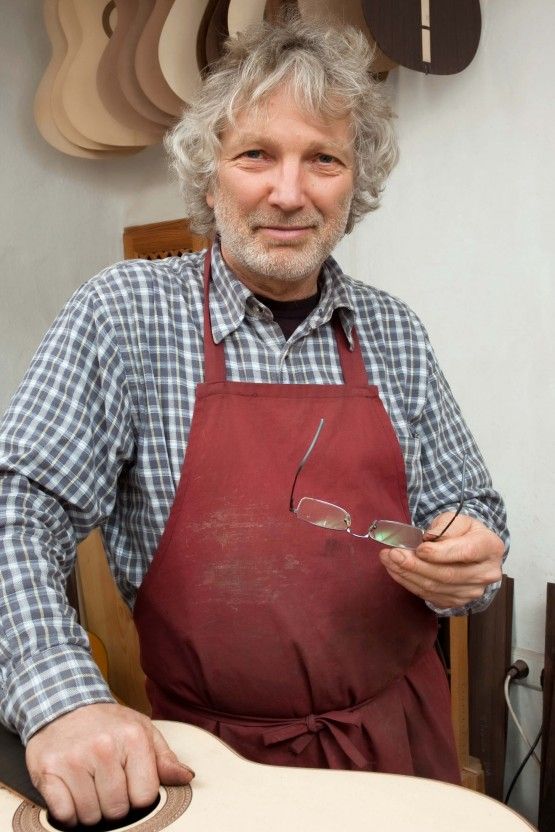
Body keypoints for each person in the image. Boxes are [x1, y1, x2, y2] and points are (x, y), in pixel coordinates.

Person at [0, 16, 508, 829]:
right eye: (255, 155)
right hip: (211, 769)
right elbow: (16, 510)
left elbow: (472, 508)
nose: (288, 191)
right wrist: (59, 698)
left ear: (355, 184)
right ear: (208, 177)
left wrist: (468, 557)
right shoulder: (124, 314)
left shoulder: (394, 332)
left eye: (324, 160)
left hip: (399, 748)